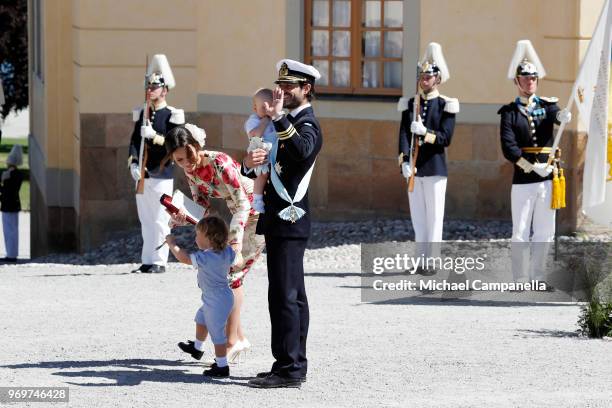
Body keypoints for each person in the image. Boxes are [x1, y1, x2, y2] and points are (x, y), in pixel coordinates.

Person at [242, 59, 323, 388]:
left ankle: (289, 368)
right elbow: (254, 163)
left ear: (306, 89)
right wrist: (251, 160)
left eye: (289, 86)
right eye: (280, 85)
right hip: (276, 218)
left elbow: (301, 152)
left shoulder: (307, 124)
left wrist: (276, 118)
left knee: (284, 296)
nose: (282, 91)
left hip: (290, 219)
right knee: (290, 295)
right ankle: (289, 363)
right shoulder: (283, 122)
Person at [165, 124, 265, 363]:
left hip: (258, 215)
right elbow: (204, 208)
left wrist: (235, 244)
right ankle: (238, 338)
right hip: (241, 216)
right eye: (179, 160)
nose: (187, 164)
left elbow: (243, 204)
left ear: (198, 147)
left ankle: (234, 340)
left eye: (190, 157)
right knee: (228, 275)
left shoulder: (220, 163)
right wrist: (183, 216)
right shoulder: (190, 170)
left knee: (231, 274)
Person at [499, 40, 571, 286]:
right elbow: (508, 147)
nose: (530, 82)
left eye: (533, 78)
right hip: (523, 179)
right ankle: (519, 277)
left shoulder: (547, 106)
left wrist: (563, 115)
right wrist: (530, 166)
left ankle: (538, 277)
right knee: (520, 231)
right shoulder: (509, 112)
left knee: (544, 231)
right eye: (525, 78)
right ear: (517, 82)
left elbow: (557, 118)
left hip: (549, 177)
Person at [397, 42, 459, 273]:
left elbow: (446, 138)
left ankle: (432, 260)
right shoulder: (410, 104)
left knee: (434, 218)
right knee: (419, 219)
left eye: (429, 76)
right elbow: (403, 135)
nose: (425, 80)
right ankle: (419, 260)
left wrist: (426, 133)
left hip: (434, 167)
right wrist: (404, 161)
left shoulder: (446, 105)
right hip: (414, 168)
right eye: (422, 76)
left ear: (438, 79)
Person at [128, 54, 185, 274]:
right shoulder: (144, 112)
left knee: (161, 218)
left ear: (165, 90)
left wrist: (153, 136)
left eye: (154, 86)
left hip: (162, 172)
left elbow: (173, 144)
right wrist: (133, 163)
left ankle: (160, 261)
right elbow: (134, 142)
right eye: (148, 86)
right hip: (143, 173)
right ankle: (148, 259)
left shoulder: (173, 115)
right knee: (146, 220)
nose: (150, 90)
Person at [166, 216, 234, 378]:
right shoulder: (226, 252)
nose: (195, 238)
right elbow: (236, 259)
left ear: (210, 239)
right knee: (201, 319)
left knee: (217, 334)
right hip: (221, 297)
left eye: (198, 236)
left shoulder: (205, 257)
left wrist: (172, 244)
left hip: (215, 299)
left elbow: (184, 258)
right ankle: (197, 348)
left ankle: (222, 366)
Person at [244, 88, 277, 213]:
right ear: (255, 108)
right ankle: (257, 199)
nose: (267, 111)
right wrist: (265, 121)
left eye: (270, 107)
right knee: (262, 175)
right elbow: (254, 135)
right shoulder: (253, 121)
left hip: (272, 153)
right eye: (264, 108)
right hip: (259, 152)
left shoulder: (274, 119)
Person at [1, 145, 24, 262]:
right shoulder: (18, 174)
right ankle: (11, 253)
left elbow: (6, 191)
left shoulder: (9, 175)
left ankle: (11, 254)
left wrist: (3, 181)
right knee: (13, 230)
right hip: (13, 204)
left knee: (9, 231)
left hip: (8, 205)